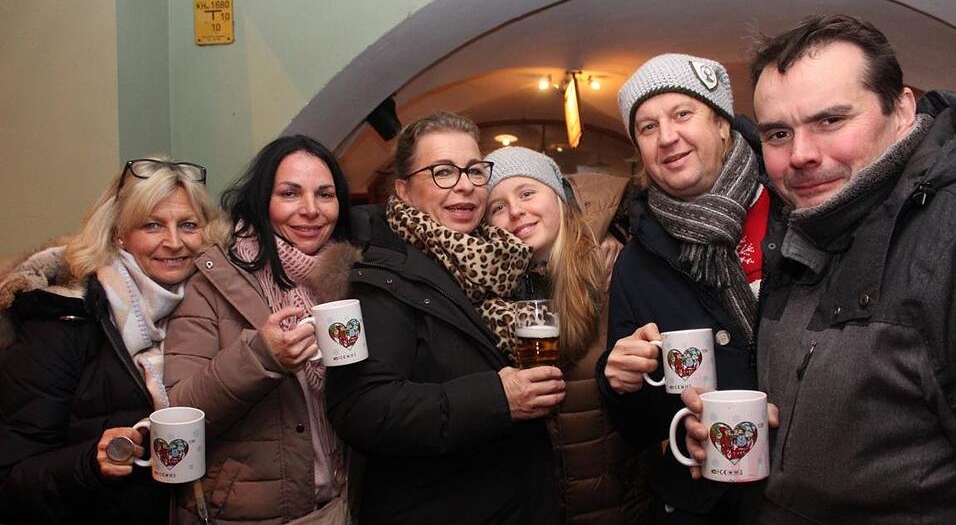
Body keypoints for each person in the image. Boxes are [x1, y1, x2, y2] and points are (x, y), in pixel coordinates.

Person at [679, 14, 956, 524]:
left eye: (830, 120)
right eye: (778, 132)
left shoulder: (945, 239)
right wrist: (753, 442)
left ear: (901, 109)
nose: (801, 155)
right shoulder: (799, 231)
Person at [325, 111, 566, 525]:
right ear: (404, 189)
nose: (465, 185)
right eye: (442, 172)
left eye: (474, 170)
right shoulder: (376, 279)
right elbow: (359, 408)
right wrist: (495, 398)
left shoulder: (500, 259)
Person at [595, 53, 778, 524]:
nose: (667, 137)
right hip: (700, 504)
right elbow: (638, 428)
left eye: (682, 114)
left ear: (721, 124)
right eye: (647, 127)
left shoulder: (795, 209)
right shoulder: (638, 261)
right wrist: (619, 382)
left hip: (811, 495)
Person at [0, 158, 225, 523]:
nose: (173, 242)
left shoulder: (217, 310)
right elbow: (13, 478)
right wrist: (91, 462)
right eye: (152, 225)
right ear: (120, 233)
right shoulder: (63, 320)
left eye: (187, 225)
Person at [163, 135, 359, 524]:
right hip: (252, 513)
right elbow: (180, 413)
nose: (310, 210)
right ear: (261, 201)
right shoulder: (214, 281)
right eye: (290, 193)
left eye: (325, 195)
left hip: (346, 503)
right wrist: (262, 356)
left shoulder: (354, 279)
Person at [484, 145, 652, 524]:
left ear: (558, 197)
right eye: (497, 206)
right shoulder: (485, 292)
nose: (515, 211)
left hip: (620, 504)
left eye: (528, 193)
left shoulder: (613, 270)